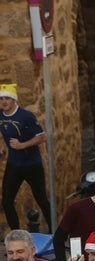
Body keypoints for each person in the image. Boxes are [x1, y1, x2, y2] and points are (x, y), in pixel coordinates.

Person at [0, 83, 52, 230]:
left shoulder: (26, 116)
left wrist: (22, 145)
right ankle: (15, 235)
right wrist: (4, 148)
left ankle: (55, 232)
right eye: (1, 98)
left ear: (14, 100)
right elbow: (7, 133)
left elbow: (41, 137)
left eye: (7, 98)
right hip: (14, 164)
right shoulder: (1, 115)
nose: (4, 102)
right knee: (7, 201)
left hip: (32, 164)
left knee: (41, 199)